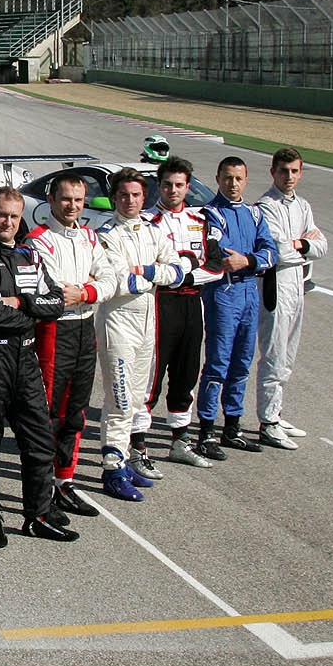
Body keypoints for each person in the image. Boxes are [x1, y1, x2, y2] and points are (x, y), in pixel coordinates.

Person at [0, 188, 79, 548]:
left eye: (13, 215)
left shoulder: (30, 254)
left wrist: (22, 301)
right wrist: (31, 307)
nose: (7, 222)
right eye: (1, 215)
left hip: (26, 357)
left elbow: (56, 301)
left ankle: (37, 515)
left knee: (40, 437)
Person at [25, 173, 114, 518]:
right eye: (66, 199)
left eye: (78, 200)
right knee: (48, 412)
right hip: (52, 330)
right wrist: (82, 288)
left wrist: (87, 292)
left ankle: (65, 481)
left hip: (84, 328)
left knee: (75, 412)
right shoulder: (38, 240)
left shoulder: (90, 237)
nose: (72, 206)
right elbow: (51, 289)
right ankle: (42, 486)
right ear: (51, 201)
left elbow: (110, 278)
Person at [92, 169, 184, 501]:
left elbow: (178, 271)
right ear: (114, 197)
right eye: (123, 195)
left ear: (145, 197)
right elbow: (120, 282)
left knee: (137, 395)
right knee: (119, 398)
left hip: (147, 317)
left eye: (135, 195)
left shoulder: (153, 230)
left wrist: (145, 271)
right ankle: (112, 467)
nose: (129, 200)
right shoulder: (106, 234)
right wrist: (155, 274)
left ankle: (123, 456)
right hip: (116, 319)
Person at [141, 157, 223, 468]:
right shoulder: (148, 223)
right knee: (152, 376)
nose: (173, 190)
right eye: (167, 185)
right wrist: (175, 275)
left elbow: (215, 266)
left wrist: (185, 276)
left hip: (192, 303)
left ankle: (180, 442)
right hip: (160, 304)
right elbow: (150, 270)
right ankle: (138, 448)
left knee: (186, 373)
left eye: (179, 185)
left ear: (188, 187)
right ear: (158, 187)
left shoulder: (201, 221)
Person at [196, 157, 278, 460]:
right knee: (218, 362)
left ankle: (232, 426)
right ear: (218, 178)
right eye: (227, 178)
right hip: (223, 293)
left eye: (238, 179)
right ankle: (206, 430)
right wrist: (250, 259)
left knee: (242, 363)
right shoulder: (211, 213)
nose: (232, 184)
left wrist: (249, 260)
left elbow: (271, 253)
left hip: (249, 295)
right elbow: (218, 253)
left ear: (246, 180)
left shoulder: (255, 215)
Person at [254, 147, 327, 450]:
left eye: (295, 171)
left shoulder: (303, 206)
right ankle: (267, 422)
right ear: (273, 172)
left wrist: (300, 245)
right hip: (275, 285)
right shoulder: (265, 206)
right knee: (273, 353)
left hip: (298, 285)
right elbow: (277, 251)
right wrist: (300, 245)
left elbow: (321, 246)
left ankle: (277, 412)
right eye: (284, 170)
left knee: (289, 354)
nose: (289, 176)